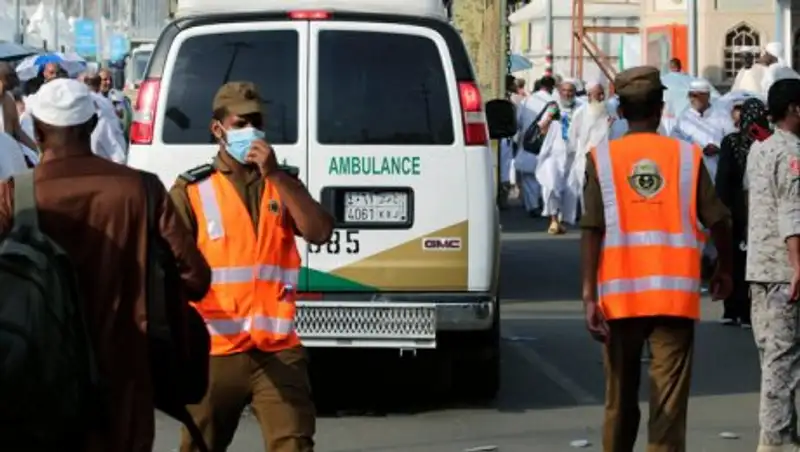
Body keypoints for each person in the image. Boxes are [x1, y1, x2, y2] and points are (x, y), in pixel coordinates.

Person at [0, 78, 212, 451]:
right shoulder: (143, 190)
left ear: (36, 131)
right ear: (94, 126)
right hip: (125, 382)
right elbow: (196, 279)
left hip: (39, 386)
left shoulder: (15, 195)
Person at [169, 81, 334, 452]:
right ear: (218, 130)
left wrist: (275, 174)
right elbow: (168, 263)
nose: (251, 132)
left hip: (277, 350)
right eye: (240, 123)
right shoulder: (192, 190)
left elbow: (319, 231)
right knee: (199, 445)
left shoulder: (282, 182)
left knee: (294, 444)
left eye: (256, 122)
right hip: (215, 350)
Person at [581, 66, 733, 452]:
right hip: (674, 300)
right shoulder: (686, 156)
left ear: (620, 109)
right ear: (661, 107)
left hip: (620, 300)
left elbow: (592, 229)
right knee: (667, 405)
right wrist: (725, 270)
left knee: (619, 400)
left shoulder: (603, 158)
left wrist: (588, 295)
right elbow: (718, 219)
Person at [746, 78, 800, 452]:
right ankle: (777, 443)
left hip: (760, 269)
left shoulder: (759, 149)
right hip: (783, 268)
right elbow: (792, 212)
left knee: (771, 357)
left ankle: (780, 437)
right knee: (783, 363)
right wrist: (798, 265)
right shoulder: (793, 152)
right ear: (795, 110)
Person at [717, 99, 772, 329]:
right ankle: (750, 311)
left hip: (735, 209)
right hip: (760, 209)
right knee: (755, 260)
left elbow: (723, 178)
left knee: (734, 260)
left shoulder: (731, 141)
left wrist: (723, 208)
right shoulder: (767, 142)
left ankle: (733, 309)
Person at [536, 78, 582, 233]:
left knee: (570, 189)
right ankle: (553, 219)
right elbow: (542, 130)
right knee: (551, 185)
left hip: (573, 154)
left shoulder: (581, 108)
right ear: (560, 92)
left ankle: (562, 220)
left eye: (571, 91)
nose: (567, 94)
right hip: (553, 153)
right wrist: (549, 118)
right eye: (564, 91)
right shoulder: (553, 107)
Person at [671, 79, 736, 184]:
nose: (692, 99)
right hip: (692, 172)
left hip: (717, 172)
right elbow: (674, 142)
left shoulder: (722, 116)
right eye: (690, 95)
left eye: (696, 96)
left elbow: (732, 139)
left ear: (707, 96)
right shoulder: (684, 118)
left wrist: (719, 148)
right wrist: (695, 149)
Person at [566, 80, 611, 224]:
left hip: (606, 156)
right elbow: (573, 135)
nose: (601, 97)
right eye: (598, 94)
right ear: (589, 95)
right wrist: (572, 153)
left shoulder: (609, 110)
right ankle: (588, 217)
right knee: (584, 188)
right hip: (585, 156)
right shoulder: (581, 112)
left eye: (602, 94)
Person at [515, 75, 557, 216]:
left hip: (528, 143)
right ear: (552, 87)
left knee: (529, 178)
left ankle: (532, 205)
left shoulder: (527, 101)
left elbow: (518, 122)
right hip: (547, 143)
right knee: (546, 175)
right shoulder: (554, 102)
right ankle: (545, 204)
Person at [81, 73, 128, 163]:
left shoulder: (111, 98)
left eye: (109, 79)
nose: (108, 82)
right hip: (107, 154)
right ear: (99, 84)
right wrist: (119, 158)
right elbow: (105, 133)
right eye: (105, 79)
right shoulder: (99, 103)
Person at [0, 62, 38, 152]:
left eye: (6, 89)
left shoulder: (9, 99)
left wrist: (37, 150)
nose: (2, 91)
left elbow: (17, 131)